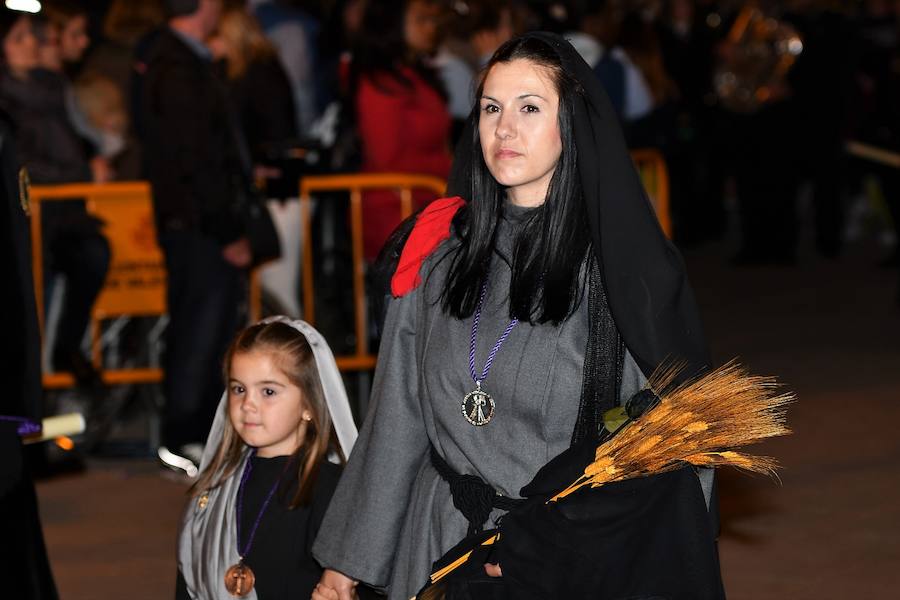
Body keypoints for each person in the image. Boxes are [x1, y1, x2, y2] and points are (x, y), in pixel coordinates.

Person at [312, 32, 718, 600]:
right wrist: (345, 564)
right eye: (491, 108)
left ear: (570, 125)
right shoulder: (436, 256)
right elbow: (396, 420)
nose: (504, 128)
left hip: (564, 559)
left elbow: (674, 446)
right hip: (443, 549)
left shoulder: (624, 275)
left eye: (530, 108)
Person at [136, 0, 258, 468]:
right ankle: (184, 434)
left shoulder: (175, 60)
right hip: (198, 225)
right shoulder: (177, 67)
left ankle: (196, 433)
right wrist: (227, 229)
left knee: (205, 328)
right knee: (199, 331)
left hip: (193, 221)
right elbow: (196, 161)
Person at [176, 317, 358, 599]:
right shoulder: (215, 487)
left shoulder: (332, 491)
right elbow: (186, 580)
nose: (248, 404)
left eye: (268, 391)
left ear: (309, 404)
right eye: (239, 389)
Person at [351, 0, 452, 261]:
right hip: (397, 214)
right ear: (392, 25)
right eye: (421, 20)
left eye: (433, 20)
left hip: (428, 206)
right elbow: (388, 159)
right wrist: (451, 167)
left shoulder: (417, 76)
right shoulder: (380, 83)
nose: (431, 28)